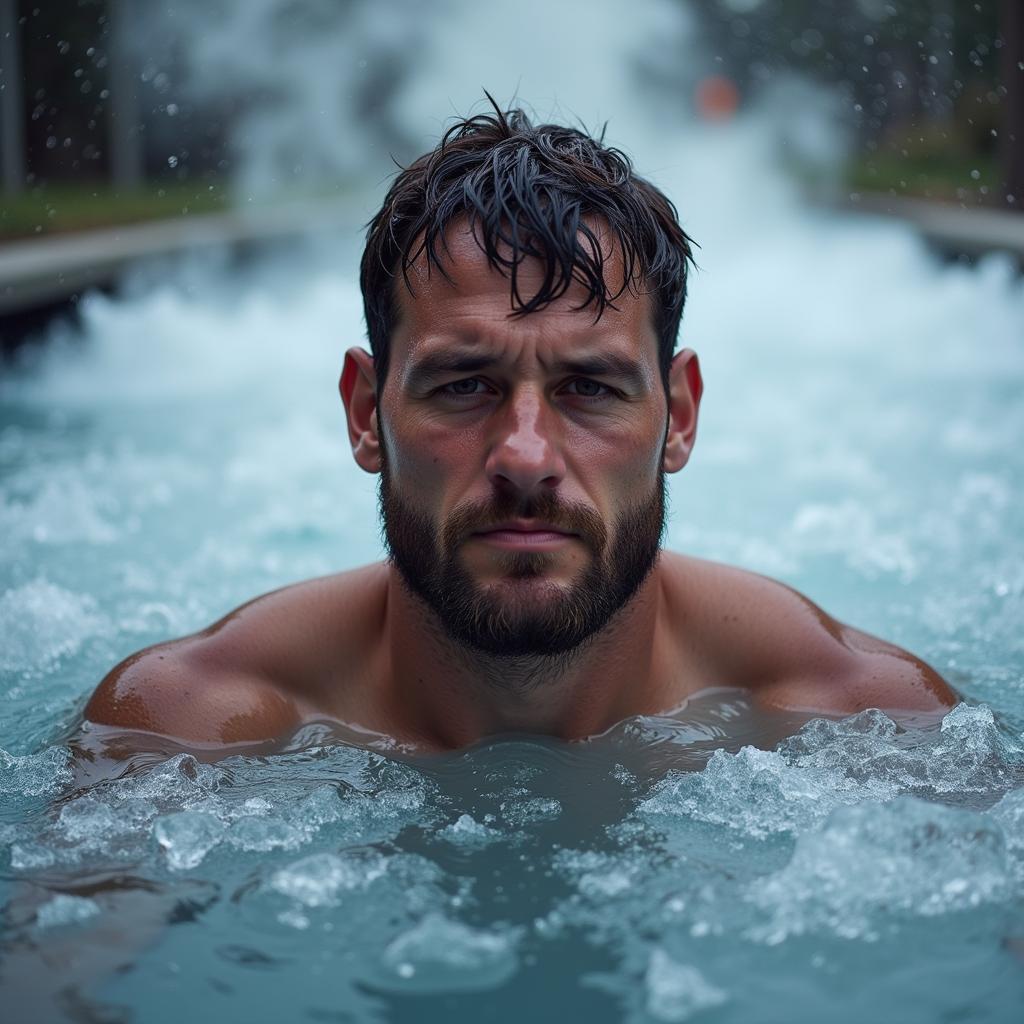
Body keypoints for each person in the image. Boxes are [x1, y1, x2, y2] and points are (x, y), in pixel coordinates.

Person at [84, 103, 955, 753]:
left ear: (679, 417)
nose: (527, 457)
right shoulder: (192, 723)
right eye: (465, 385)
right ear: (366, 414)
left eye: (588, 387)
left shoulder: (866, 717)